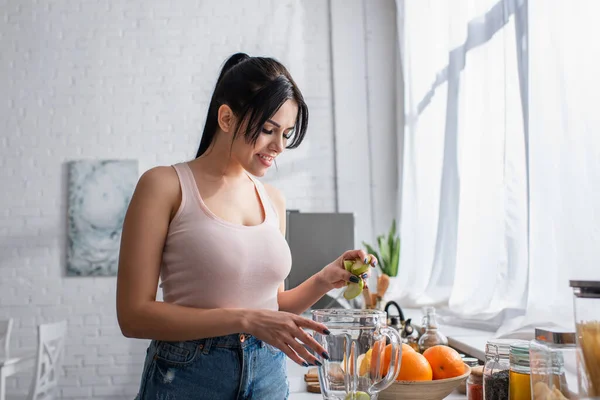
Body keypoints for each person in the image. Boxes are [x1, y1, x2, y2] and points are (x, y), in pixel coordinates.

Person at [116, 52, 377, 400]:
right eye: (268, 130)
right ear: (226, 118)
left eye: (286, 133)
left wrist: (323, 280)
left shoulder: (273, 199)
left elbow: (272, 308)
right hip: (190, 375)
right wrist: (244, 320)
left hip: (268, 373)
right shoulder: (164, 185)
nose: (279, 147)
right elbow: (133, 317)